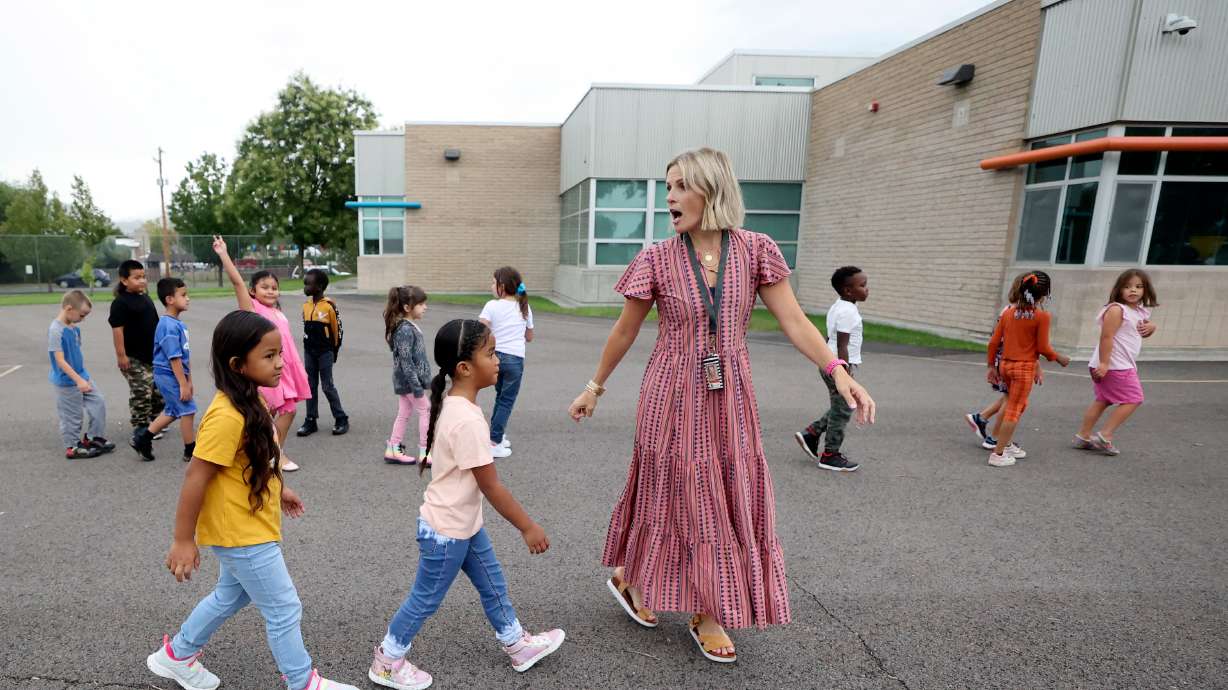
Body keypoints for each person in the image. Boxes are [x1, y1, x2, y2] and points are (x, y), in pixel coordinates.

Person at [567, 148, 875, 663]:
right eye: (668, 187)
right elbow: (625, 330)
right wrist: (593, 388)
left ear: (711, 189)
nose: (669, 197)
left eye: (681, 185)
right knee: (672, 490)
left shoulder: (757, 250)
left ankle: (702, 606)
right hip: (669, 388)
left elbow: (796, 322)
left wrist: (837, 373)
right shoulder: (657, 258)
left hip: (730, 391)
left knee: (721, 495)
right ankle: (640, 580)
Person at [145, 310, 360, 690]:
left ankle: (176, 655)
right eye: (269, 356)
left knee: (230, 596)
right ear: (237, 364)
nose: (280, 363)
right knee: (283, 607)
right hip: (241, 533)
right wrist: (182, 540)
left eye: (280, 353)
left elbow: (259, 458)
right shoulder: (227, 416)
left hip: (251, 523)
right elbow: (196, 476)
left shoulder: (252, 401)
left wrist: (280, 488)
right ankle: (303, 682)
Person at [367, 319, 563, 690]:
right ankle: (388, 661)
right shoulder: (466, 420)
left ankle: (516, 643)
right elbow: (491, 486)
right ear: (464, 368)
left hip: (464, 524)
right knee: (424, 600)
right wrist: (527, 526)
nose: (499, 359)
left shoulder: (458, 405)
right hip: (446, 533)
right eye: (490, 353)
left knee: (492, 583)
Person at [214, 236, 311, 472]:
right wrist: (223, 254)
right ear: (253, 291)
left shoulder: (278, 312)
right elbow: (237, 283)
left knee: (284, 410)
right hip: (264, 370)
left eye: (274, 287)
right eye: (264, 287)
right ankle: (269, 453)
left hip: (283, 369)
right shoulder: (253, 310)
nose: (270, 291)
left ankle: (272, 452)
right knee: (269, 411)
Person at [985, 272, 1071, 467]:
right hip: (1023, 368)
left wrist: (991, 366)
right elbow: (1042, 347)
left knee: (1018, 405)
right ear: (1044, 294)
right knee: (1014, 410)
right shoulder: (1041, 316)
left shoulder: (1008, 312)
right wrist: (1058, 358)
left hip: (1005, 365)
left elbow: (993, 342)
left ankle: (1005, 444)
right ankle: (998, 454)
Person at [1074, 269, 1159, 456]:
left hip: (1118, 363)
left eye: (1138, 286)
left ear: (1146, 290)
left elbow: (1142, 329)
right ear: (1119, 289)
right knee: (1134, 399)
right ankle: (1105, 436)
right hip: (1115, 365)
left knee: (1103, 400)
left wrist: (1152, 327)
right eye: (1127, 286)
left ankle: (1083, 436)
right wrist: (1104, 364)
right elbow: (1106, 337)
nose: (1133, 290)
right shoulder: (1116, 309)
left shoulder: (1138, 310)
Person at [794, 265, 868, 471]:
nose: (867, 289)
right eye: (862, 286)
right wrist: (843, 373)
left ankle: (812, 434)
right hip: (837, 365)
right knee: (844, 408)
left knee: (841, 406)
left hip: (829, 361)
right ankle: (830, 455)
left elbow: (830, 338)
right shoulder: (848, 313)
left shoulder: (840, 306)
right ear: (848, 290)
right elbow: (842, 344)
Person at [965, 272, 1037, 452]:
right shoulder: (1019, 313)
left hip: (1004, 358)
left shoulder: (1009, 309)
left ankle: (982, 418)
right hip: (1011, 359)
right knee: (1013, 400)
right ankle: (994, 438)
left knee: (1010, 397)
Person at [129, 278, 196, 463]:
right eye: (183, 295)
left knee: (173, 411)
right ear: (170, 299)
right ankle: (191, 450)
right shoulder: (167, 325)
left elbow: (185, 357)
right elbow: (173, 357)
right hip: (168, 375)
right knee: (187, 410)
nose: (187, 298)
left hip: (177, 375)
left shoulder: (178, 324)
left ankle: (143, 438)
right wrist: (182, 384)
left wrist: (189, 382)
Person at [49, 290, 114, 459]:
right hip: (67, 382)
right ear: (69, 308)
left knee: (98, 401)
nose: (83, 319)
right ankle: (72, 446)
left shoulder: (74, 329)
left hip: (82, 376)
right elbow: (60, 361)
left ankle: (93, 437)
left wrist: (81, 378)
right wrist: (77, 380)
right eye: (82, 315)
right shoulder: (56, 331)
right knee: (72, 416)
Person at [478, 267, 534, 459]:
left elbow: (480, 329)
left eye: (493, 282)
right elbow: (529, 336)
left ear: (502, 286)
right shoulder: (524, 307)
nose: (491, 286)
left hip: (494, 357)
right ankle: (494, 441)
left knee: (500, 398)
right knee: (506, 400)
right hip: (515, 360)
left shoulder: (491, 306)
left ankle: (495, 436)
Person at [109, 259, 164, 441]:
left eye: (143, 277)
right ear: (124, 280)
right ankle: (141, 428)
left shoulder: (145, 297)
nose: (142, 281)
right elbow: (117, 330)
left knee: (159, 392)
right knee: (142, 392)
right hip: (133, 357)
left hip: (152, 356)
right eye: (136, 278)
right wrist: (121, 355)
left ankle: (155, 421)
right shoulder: (121, 303)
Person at [383, 285, 432, 466]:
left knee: (404, 413)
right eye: (421, 304)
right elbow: (406, 361)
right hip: (410, 382)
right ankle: (425, 452)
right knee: (426, 410)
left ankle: (393, 449)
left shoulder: (407, 326)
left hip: (408, 381)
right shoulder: (404, 329)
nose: (425, 307)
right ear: (407, 308)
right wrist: (417, 387)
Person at [297, 268, 349, 437]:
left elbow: (337, 330)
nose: (305, 286)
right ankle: (311, 420)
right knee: (310, 386)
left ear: (319, 287)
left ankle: (341, 418)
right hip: (309, 352)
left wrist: (334, 351)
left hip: (325, 352)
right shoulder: (306, 306)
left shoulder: (329, 307)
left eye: (308, 284)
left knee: (327, 386)